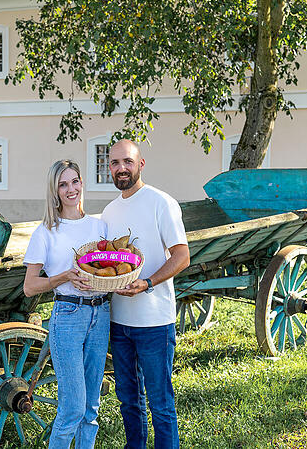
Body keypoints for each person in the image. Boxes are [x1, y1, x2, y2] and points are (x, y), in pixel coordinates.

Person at [101, 139, 190, 449]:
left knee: (160, 403)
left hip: (154, 320)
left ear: (141, 164)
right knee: (128, 400)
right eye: (114, 163)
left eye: (127, 161)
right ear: (108, 168)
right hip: (119, 320)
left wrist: (149, 283)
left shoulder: (161, 202)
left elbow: (181, 256)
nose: (121, 168)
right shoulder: (109, 212)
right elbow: (108, 261)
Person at [22, 159, 110, 449]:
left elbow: (107, 269)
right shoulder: (46, 232)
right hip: (68, 315)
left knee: (92, 407)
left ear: (82, 183)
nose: (71, 189)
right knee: (73, 406)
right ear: (55, 191)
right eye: (63, 184)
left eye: (75, 181)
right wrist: (63, 277)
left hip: (101, 313)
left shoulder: (100, 227)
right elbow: (30, 286)